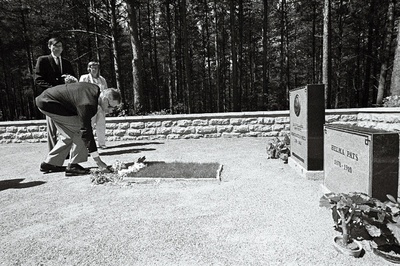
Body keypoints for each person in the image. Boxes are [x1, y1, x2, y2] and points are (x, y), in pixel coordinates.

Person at [35, 82, 121, 176]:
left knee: (69, 134)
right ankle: (73, 166)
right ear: (104, 99)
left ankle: (50, 163)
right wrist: (98, 162)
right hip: (49, 103)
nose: (111, 110)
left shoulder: (95, 90)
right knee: (80, 130)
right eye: (111, 107)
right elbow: (85, 131)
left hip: (47, 100)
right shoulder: (88, 104)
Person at [35, 37, 77, 152]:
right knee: (52, 129)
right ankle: (52, 155)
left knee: (67, 127)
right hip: (50, 99)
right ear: (49, 47)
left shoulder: (67, 63)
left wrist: (71, 81)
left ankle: (66, 152)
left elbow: (73, 79)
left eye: (60, 46)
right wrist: (54, 90)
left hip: (65, 100)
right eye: (55, 46)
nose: (57, 49)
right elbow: (39, 80)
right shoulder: (43, 60)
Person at [79, 61, 108, 149]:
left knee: (101, 124)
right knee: (89, 125)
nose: (94, 69)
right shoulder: (84, 78)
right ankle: (88, 144)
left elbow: (106, 91)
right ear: (89, 69)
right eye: (93, 68)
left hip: (100, 104)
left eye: (96, 68)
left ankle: (102, 144)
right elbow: (80, 89)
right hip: (89, 104)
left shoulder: (102, 79)